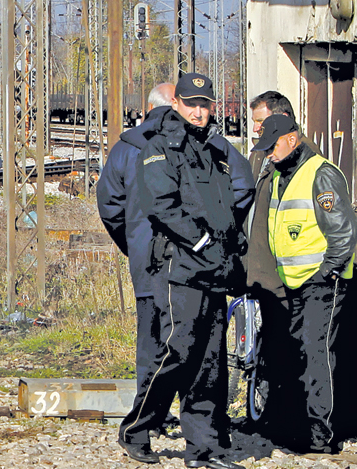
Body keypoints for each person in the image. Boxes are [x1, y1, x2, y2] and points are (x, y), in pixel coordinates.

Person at [120, 73, 253, 469]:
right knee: (177, 353)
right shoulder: (159, 147)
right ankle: (137, 429)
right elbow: (161, 205)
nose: (198, 112)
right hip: (179, 269)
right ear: (175, 103)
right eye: (191, 103)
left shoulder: (214, 150)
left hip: (213, 268)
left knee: (210, 362)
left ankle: (203, 449)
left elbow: (227, 205)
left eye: (205, 104)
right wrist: (200, 241)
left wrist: (230, 247)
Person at [250, 114, 356, 453]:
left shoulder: (320, 173)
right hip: (294, 283)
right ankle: (299, 424)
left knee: (318, 355)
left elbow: (342, 234)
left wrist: (326, 273)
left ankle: (321, 434)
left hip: (323, 283)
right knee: (298, 354)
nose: (269, 155)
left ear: (292, 138)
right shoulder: (282, 175)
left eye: (273, 147)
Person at [98, 83, 181, 445]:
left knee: (149, 338)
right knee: (187, 335)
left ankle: (148, 417)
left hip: (146, 258)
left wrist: (132, 242)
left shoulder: (126, 148)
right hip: (186, 259)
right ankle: (195, 421)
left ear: (147, 108)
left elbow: (109, 204)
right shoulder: (189, 143)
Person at [243, 91, 320, 440]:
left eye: (260, 122)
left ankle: (286, 420)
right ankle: (267, 416)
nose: (256, 129)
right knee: (268, 343)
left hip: (286, 272)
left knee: (287, 346)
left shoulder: (302, 159)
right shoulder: (261, 156)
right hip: (258, 269)